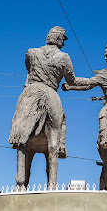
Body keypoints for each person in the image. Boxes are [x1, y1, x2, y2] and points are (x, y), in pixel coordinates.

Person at [9, 26, 85, 159]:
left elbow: (29, 68)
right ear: (58, 38)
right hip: (50, 91)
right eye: (63, 39)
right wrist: (90, 81)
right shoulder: (63, 57)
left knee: (21, 110)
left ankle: (17, 136)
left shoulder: (31, 52)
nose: (64, 42)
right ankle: (60, 146)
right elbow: (72, 80)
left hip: (31, 90)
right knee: (62, 120)